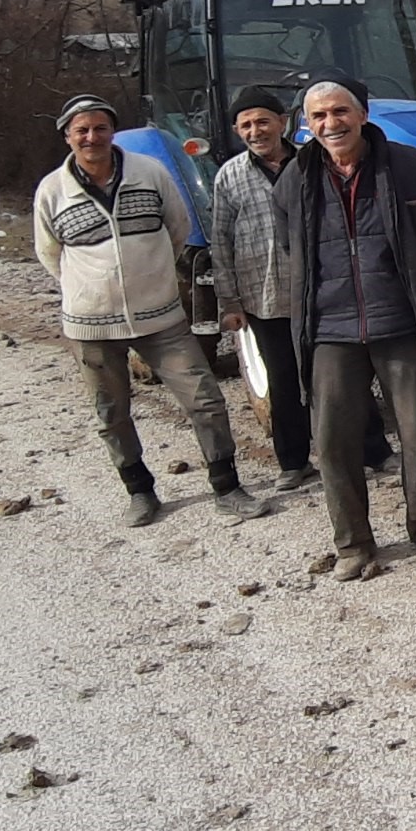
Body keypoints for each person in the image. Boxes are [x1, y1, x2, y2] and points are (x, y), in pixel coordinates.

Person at [32, 94, 264, 529]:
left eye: (100, 128)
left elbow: (178, 230)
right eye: (81, 130)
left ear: (112, 132)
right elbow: (50, 254)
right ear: (67, 136)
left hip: (161, 317)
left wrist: (150, 278)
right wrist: (92, 290)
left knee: (205, 399)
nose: (92, 137)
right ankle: (139, 492)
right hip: (91, 326)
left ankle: (227, 487)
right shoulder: (51, 191)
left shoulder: (150, 173)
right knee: (111, 412)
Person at [275, 76, 416, 580]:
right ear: (305, 125)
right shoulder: (295, 180)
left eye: (340, 112)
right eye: (318, 116)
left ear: (362, 114)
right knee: (334, 441)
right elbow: (291, 249)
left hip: (399, 321)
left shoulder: (406, 166)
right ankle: (354, 544)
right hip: (332, 328)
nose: (330, 123)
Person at [212, 86, 393, 493]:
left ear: (284, 123)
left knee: (346, 377)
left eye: (263, 121)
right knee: (283, 381)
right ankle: (293, 462)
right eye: (245, 125)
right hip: (267, 298)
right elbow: (220, 243)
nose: (255, 131)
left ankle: (374, 450)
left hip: (322, 293)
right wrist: (230, 301)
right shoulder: (230, 176)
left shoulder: (313, 164)